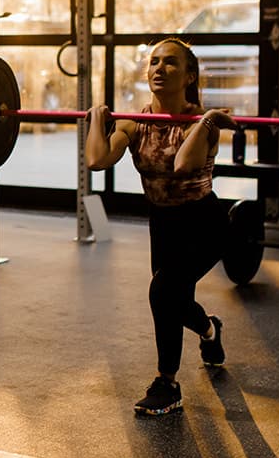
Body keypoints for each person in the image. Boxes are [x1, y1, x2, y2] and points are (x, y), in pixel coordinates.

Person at [86, 37, 235, 417]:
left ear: (189, 76)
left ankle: (167, 384)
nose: (159, 69)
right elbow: (97, 159)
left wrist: (204, 122)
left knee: (163, 292)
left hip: (204, 223)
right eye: (154, 62)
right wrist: (94, 119)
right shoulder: (135, 123)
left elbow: (183, 166)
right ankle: (209, 330)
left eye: (170, 63)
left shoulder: (202, 123)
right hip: (164, 223)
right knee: (175, 299)